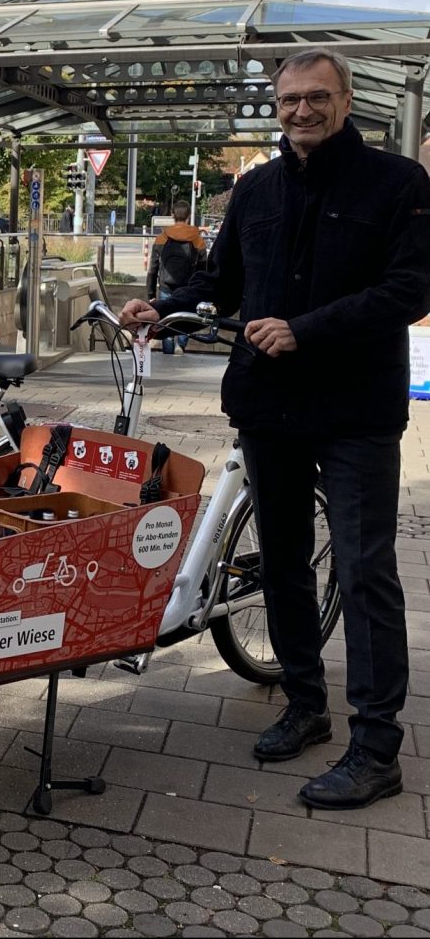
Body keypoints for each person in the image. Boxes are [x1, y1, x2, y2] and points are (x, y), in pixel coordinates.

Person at [121, 48, 430, 810]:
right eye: (290, 99)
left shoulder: (397, 183)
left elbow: (411, 288)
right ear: (277, 104)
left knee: (363, 570)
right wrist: (163, 308)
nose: (302, 111)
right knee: (281, 559)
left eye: (316, 97)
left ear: (346, 99)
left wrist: (306, 329)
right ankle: (304, 704)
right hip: (266, 403)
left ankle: (376, 745)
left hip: (353, 407)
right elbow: (221, 278)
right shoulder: (254, 187)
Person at [145, 200, 206, 354]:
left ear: (173, 215)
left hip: (166, 285)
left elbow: (153, 268)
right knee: (186, 316)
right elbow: (203, 268)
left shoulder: (162, 238)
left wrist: (151, 293)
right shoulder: (197, 239)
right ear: (188, 216)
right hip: (188, 287)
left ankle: (168, 351)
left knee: (165, 317)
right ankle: (181, 346)